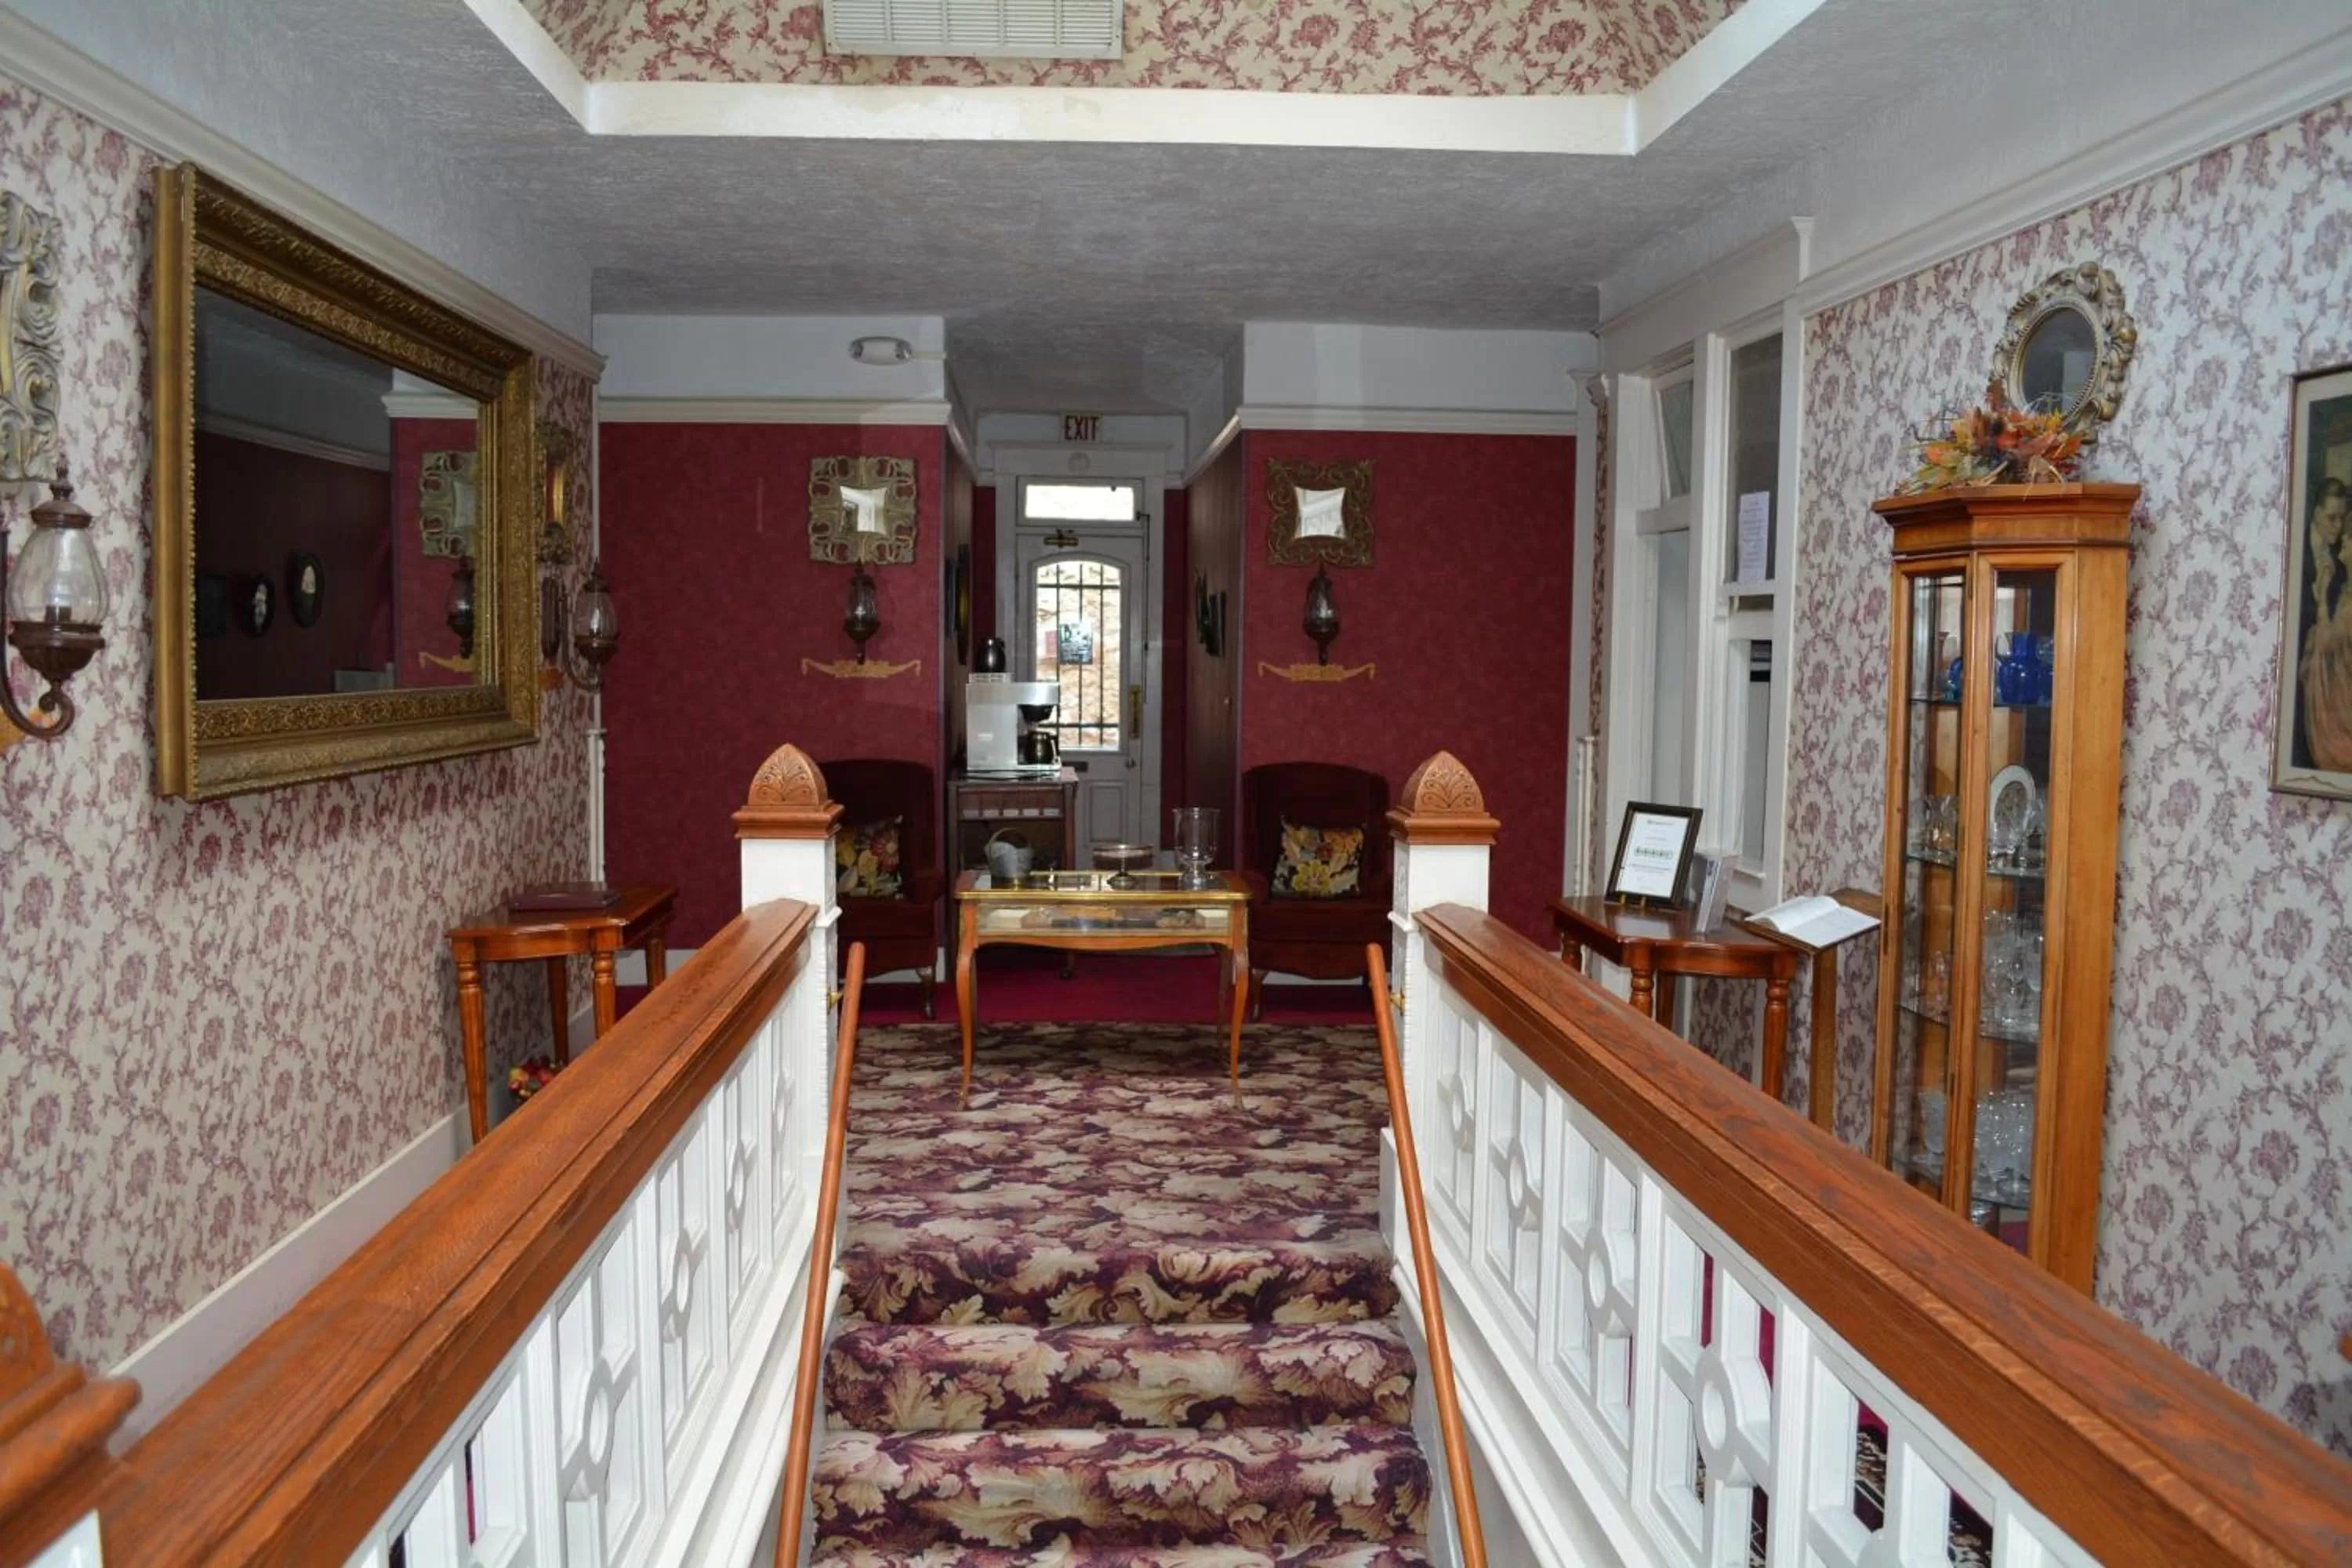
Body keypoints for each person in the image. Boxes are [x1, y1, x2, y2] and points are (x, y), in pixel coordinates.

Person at [2302, 493, 2352, 771]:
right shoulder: (2343, 586)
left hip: (2339, 707)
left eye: (2343, 522)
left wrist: (2321, 601)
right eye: (2332, 518)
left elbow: (2330, 643)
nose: (2340, 533)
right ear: (2317, 512)